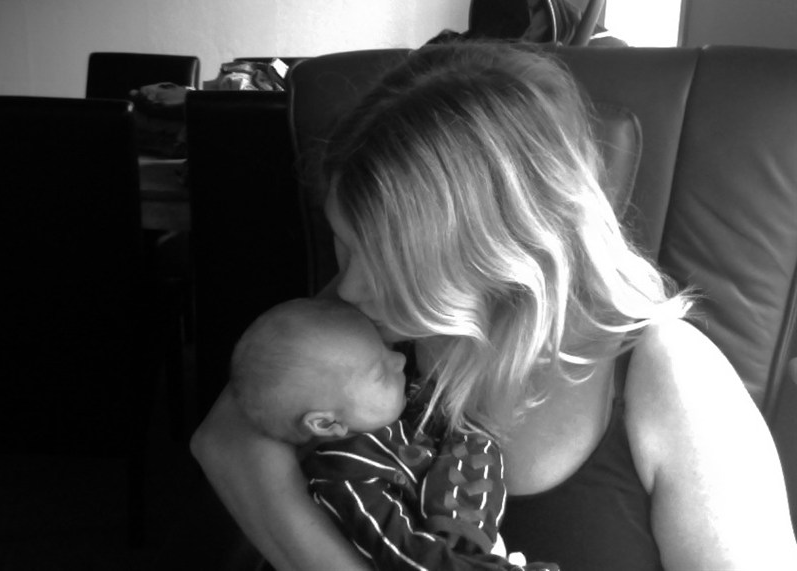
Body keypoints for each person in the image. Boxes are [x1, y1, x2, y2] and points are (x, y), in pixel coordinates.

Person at [191, 41, 797, 571]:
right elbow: (227, 440)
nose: (346, 287)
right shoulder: (370, 321)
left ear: (494, 252)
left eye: (384, 260)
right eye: (341, 244)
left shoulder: (675, 378)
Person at [230, 297, 558, 571]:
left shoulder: (394, 410)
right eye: (379, 373)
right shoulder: (348, 479)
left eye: (385, 348)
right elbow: (403, 554)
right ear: (327, 424)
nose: (399, 359)